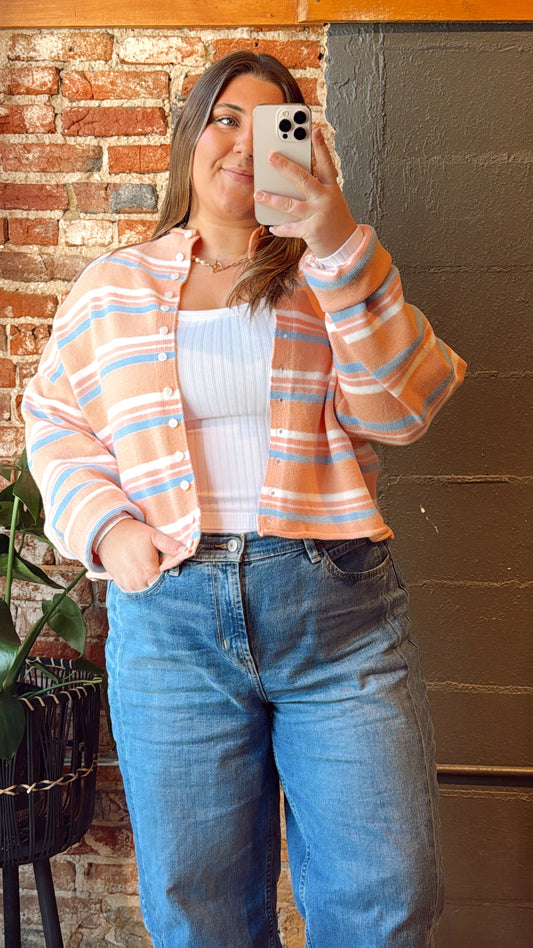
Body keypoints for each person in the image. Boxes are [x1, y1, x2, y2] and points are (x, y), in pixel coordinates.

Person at [22, 50, 466, 948]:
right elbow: (54, 421)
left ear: (300, 149)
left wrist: (334, 238)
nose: (242, 143)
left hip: (336, 611)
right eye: (225, 118)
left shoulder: (327, 274)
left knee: (386, 899)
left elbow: (401, 409)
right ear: (190, 135)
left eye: (271, 127)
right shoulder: (113, 286)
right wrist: (108, 530)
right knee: (200, 912)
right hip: (171, 621)